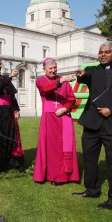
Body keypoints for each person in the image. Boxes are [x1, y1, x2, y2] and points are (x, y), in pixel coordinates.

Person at [72, 41, 112, 210]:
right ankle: (92, 189)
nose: (103, 54)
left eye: (107, 52)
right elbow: (84, 77)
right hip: (92, 123)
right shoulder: (92, 71)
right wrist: (80, 75)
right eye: (101, 52)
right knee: (89, 159)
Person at [33, 57, 80, 185]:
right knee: (52, 148)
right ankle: (53, 175)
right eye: (50, 68)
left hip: (64, 116)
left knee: (66, 146)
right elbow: (46, 89)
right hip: (49, 119)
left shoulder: (64, 82)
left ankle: (66, 175)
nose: (53, 70)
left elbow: (72, 98)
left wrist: (65, 108)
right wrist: (61, 80)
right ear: (44, 69)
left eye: (55, 68)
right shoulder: (40, 81)